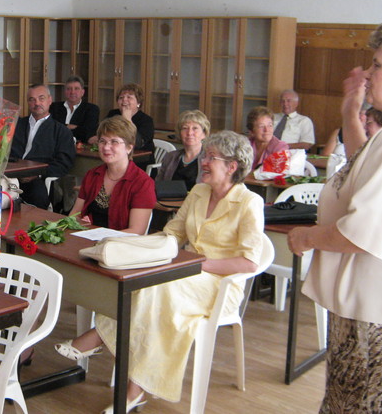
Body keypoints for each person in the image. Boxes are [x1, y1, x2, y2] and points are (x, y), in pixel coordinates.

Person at [55, 130, 264, 413]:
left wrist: (197, 264)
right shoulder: (199, 192)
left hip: (220, 284)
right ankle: (135, 387)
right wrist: (139, 250)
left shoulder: (250, 203)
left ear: (231, 166)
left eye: (211, 158)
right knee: (146, 282)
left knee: (160, 288)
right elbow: (173, 234)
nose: (204, 161)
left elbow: (249, 262)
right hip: (186, 272)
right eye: (205, 156)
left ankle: (104, 343)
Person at [288, 18, 382, 412]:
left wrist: (306, 237)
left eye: (378, 65)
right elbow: (361, 168)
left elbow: (362, 232)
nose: (369, 72)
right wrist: (350, 110)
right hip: (367, 305)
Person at [70, 116, 155, 234]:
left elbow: (136, 231)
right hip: (87, 239)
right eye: (102, 141)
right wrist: (81, 224)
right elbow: (74, 216)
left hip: (120, 246)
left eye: (114, 142)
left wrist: (99, 236)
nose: (106, 147)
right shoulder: (92, 175)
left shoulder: (142, 183)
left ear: (129, 147)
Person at [10, 84, 75, 209]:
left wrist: (38, 174)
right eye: (32, 99)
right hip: (10, 176)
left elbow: (64, 163)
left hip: (37, 178)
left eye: (41, 98)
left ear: (50, 100)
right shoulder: (16, 125)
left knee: (37, 194)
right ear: (28, 103)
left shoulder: (61, 131)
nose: (37, 103)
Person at [92, 83, 155, 154]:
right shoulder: (113, 114)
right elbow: (99, 132)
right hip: (114, 153)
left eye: (129, 97)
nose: (124, 100)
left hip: (140, 158)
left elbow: (137, 144)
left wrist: (127, 120)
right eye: (121, 97)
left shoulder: (146, 120)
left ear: (138, 102)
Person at [156, 109, 210, 190]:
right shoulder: (170, 157)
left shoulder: (210, 159)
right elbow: (159, 185)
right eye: (185, 128)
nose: (189, 133)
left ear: (204, 134)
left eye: (195, 128)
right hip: (170, 200)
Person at [49, 75, 100, 144]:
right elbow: (50, 128)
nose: (72, 92)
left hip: (79, 150)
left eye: (76, 89)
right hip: (54, 146)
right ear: (65, 91)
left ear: (82, 92)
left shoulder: (92, 109)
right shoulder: (53, 107)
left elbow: (87, 133)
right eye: (69, 89)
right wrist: (72, 127)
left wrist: (62, 127)